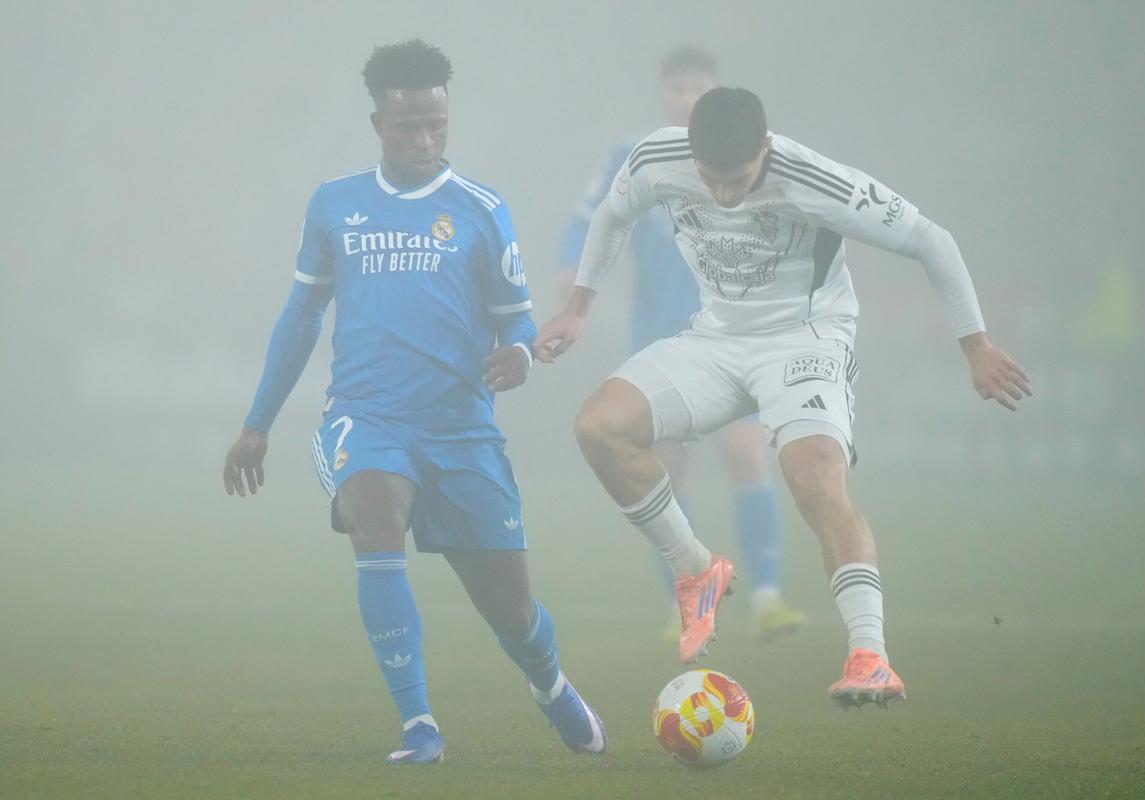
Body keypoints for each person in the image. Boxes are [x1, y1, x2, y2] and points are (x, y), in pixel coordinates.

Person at [535, 87, 1031, 706]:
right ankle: (695, 569)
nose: (724, 195)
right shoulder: (656, 158)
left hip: (806, 339)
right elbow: (613, 215)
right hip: (716, 338)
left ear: (766, 149)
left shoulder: (815, 181)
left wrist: (976, 347)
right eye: (711, 179)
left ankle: (870, 657)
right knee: (600, 426)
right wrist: (578, 309)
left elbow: (933, 240)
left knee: (814, 478)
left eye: (738, 179)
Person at [222, 40, 606, 762]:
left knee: (513, 613)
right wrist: (256, 424)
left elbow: (517, 320)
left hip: (461, 429)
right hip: (366, 417)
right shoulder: (335, 204)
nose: (425, 140)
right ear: (378, 124)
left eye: (436, 124)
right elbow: (301, 317)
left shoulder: (482, 210)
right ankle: (419, 724)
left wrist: (523, 354)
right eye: (408, 127)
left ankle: (550, 683)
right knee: (374, 517)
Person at [558, 46, 806, 643]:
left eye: (698, 87)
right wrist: (570, 274)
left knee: (745, 453)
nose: (687, 97)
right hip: (660, 337)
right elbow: (588, 218)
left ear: (715, 92)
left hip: (732, 333)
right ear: (662, 93)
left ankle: (767, 597)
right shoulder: (636, 155)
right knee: (667, 470)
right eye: (678, 87)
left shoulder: (746, 154)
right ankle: (687, 599)